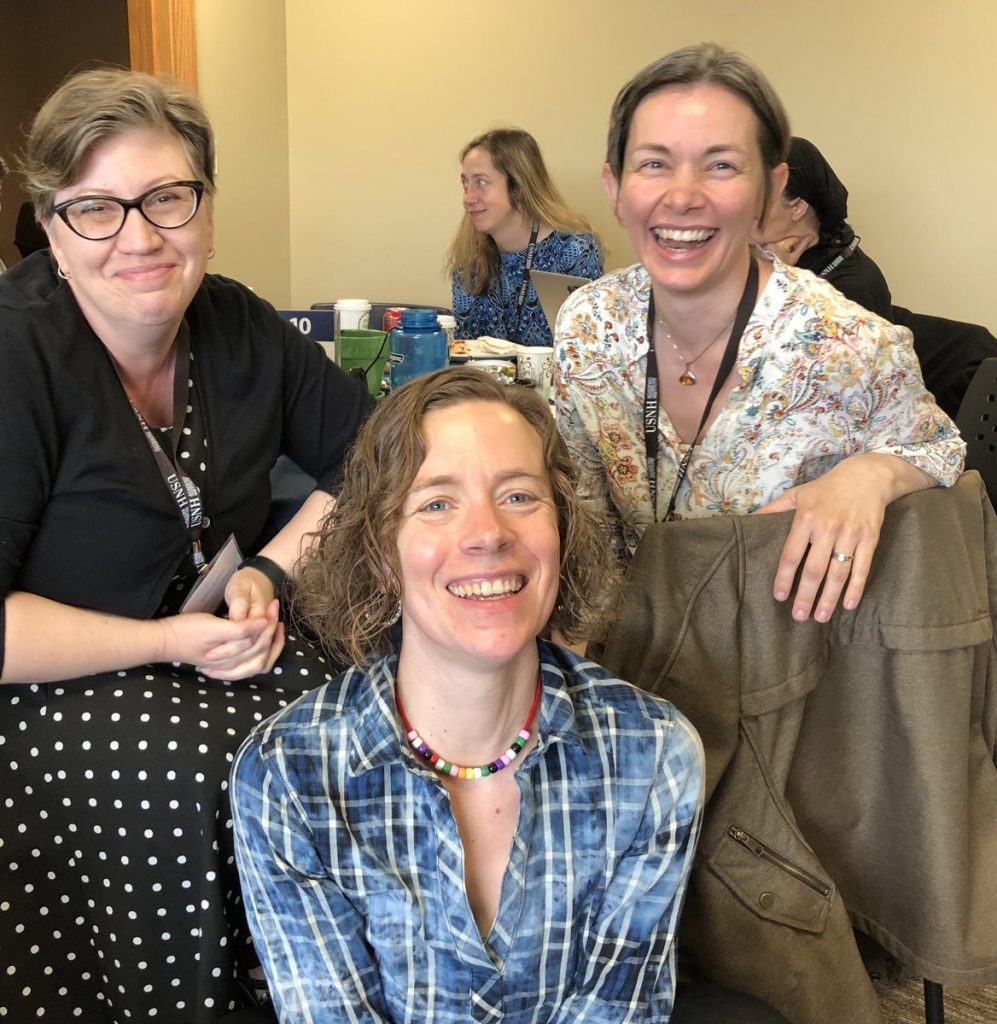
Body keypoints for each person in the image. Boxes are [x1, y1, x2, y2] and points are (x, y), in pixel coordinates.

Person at [0, 68, 372, 1022]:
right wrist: (166, 641)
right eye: (95, 209)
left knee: (366, 708)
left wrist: (270, 571)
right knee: (200, 770)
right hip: (52, 684)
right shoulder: (16, 355)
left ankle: (334, 982)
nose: (139, 238)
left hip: (217, 638)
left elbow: (374, 459)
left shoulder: (238, 323)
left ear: (206, 210)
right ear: (50, 231)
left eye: (168, 198)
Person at [231, 366, 704, 1023]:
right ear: (380, 552)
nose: (488, 533)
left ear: (563, 532)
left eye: (519, 496)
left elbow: (616, 1007)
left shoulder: (652, 753)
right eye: (436, 503)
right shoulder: (288, 772)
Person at [555, 43, 964, 627]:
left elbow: (941, 449)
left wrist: (874, 472)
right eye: (654, 164)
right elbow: (585, 517)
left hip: (783, 658)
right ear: (615, 187)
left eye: (721, 165)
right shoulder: (588, 326)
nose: (683, 195)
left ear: (770, 190)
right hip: (628, 647)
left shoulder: (847, 345)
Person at [447, 128, 603, 346]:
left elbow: (587, 350)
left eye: (481, 182)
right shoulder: (469, 259)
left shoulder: (574, 252)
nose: (468, 198)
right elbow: (463, 349)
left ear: (518, 186)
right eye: (465, 183)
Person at [752, 136, 892, 317]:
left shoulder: (853, 291)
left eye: (758, 200)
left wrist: (780, 279)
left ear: (798, 206)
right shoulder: (760, 252)